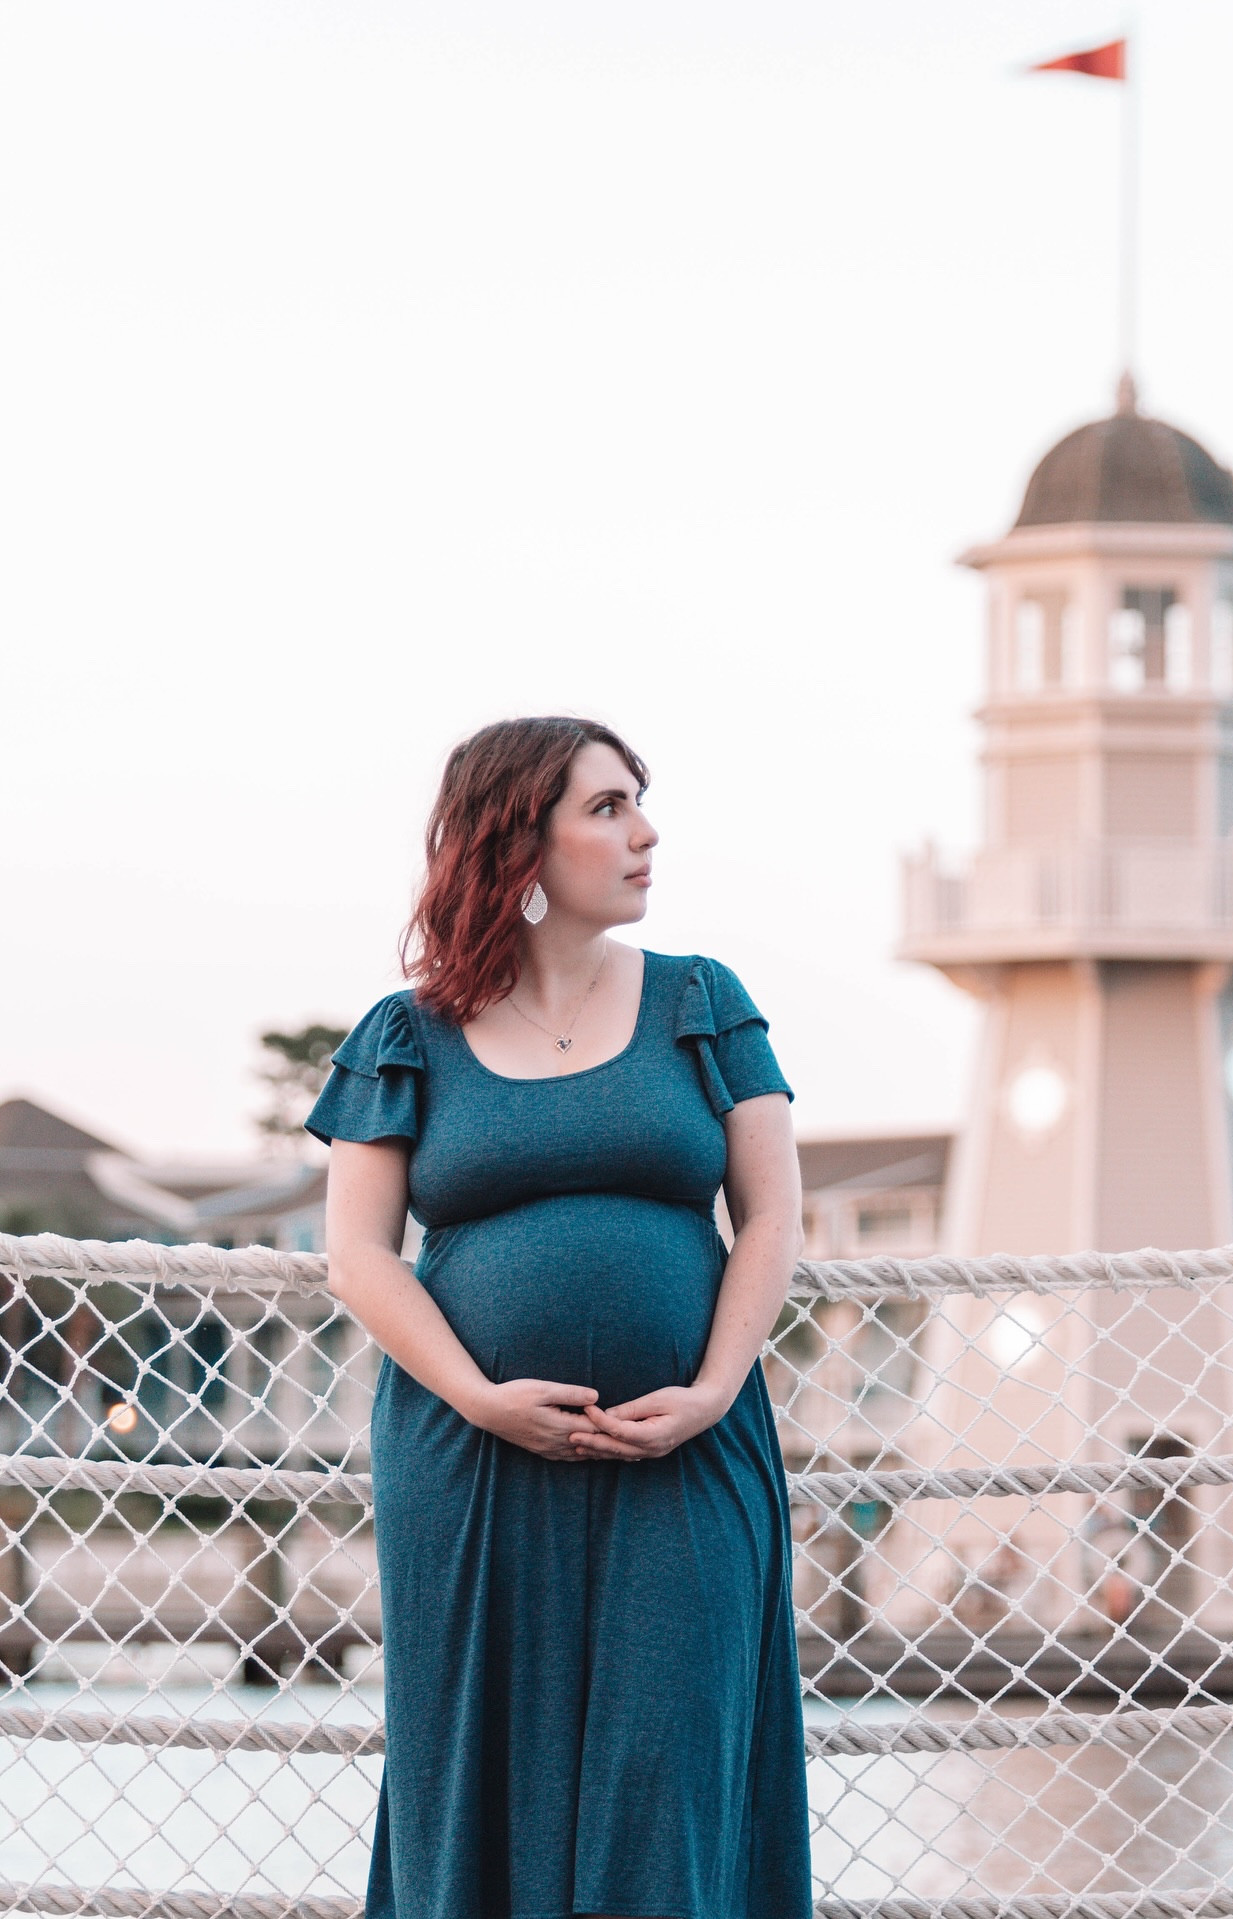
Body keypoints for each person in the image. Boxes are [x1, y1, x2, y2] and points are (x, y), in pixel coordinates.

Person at [306, 715, 813, 1919]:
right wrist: (481, 1397)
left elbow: (774, 1220)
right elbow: (358, 1256)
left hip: (688, 1450)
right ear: (517, 837)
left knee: (674, 1766)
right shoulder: (407, 1032)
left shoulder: (702, 1000)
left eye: (638, 800)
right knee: (481, 1768)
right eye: (607, 807)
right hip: (470, 1454)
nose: (646, 833)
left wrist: (712, 1391)